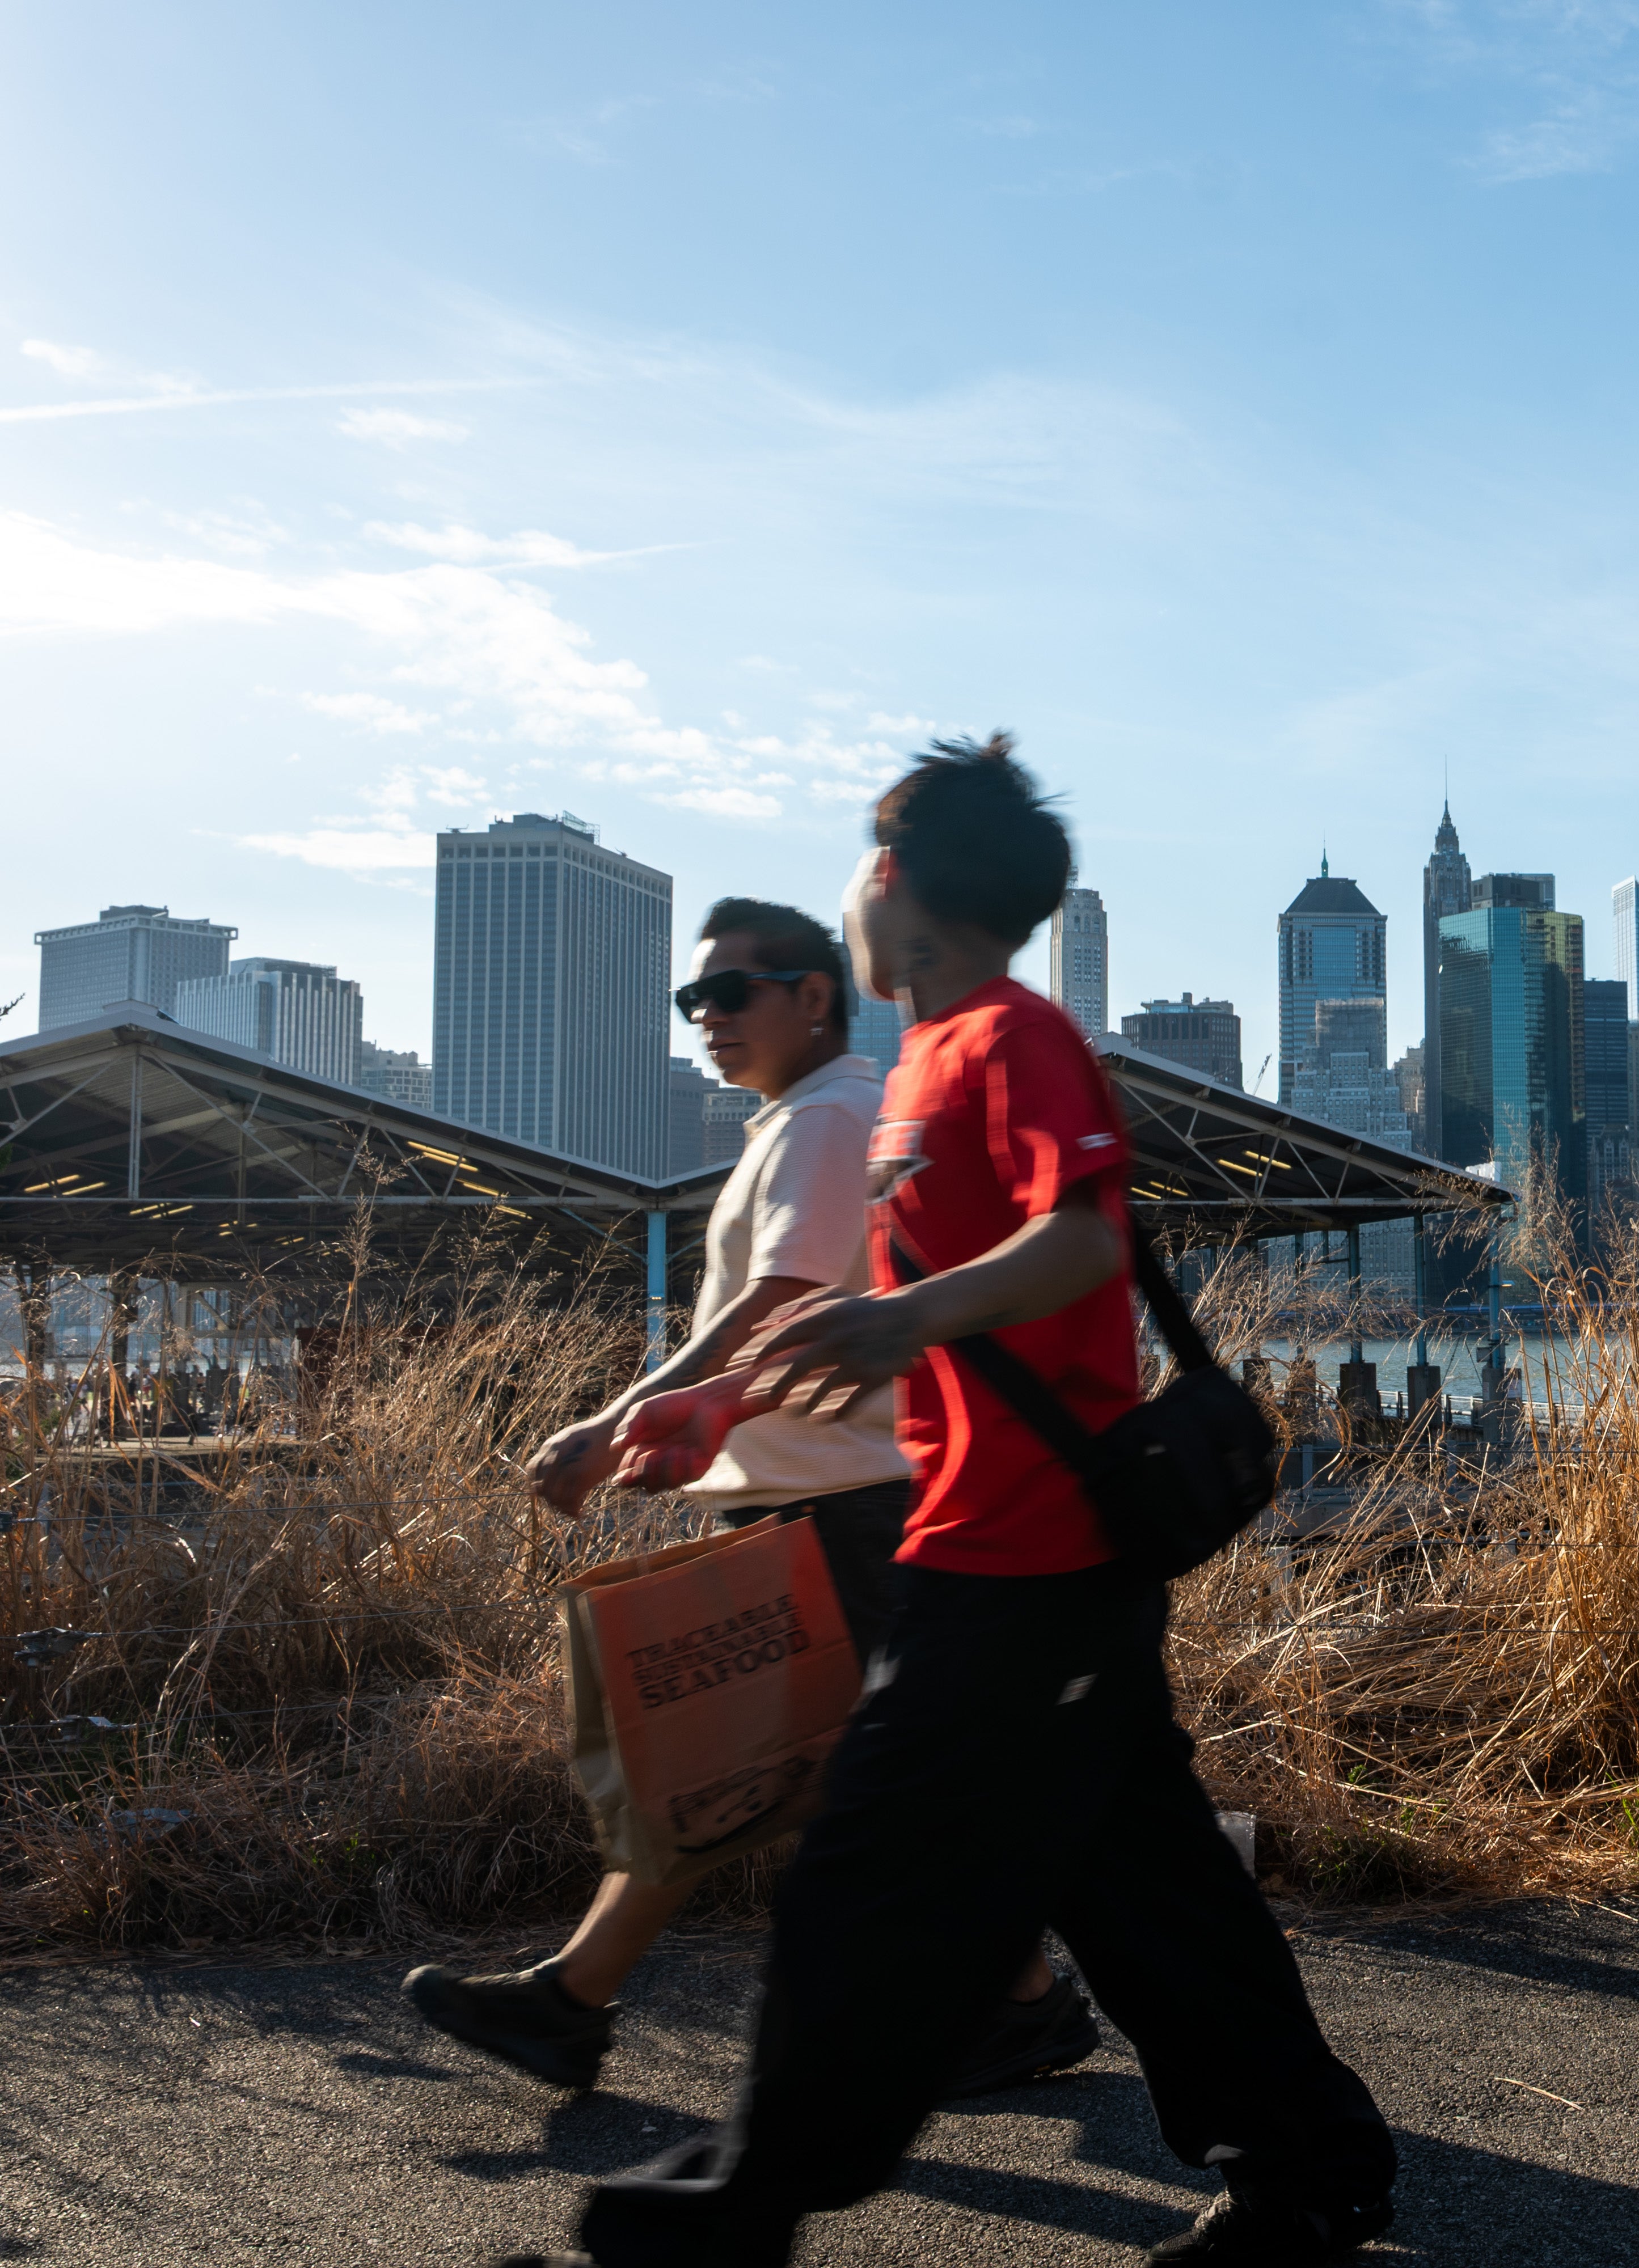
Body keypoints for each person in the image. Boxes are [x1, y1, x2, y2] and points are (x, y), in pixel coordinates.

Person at [509, 736, 1393, 2268]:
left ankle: (743, 2208)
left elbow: (1082, 1245)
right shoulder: (912, 1068)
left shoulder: (1009, 1038)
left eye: (865, 857)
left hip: (1028, 1559)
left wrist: (907, 1324)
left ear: (900, 883)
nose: (853, 886)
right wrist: (719, 1402)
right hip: (989, 1544)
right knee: (1149, 1891)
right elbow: (886, 1305)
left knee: (872, 1885)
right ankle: (1310, 2173)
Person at [408, 899, 1092, 2099]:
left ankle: (1007, 2005)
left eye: (731, 993)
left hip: (848, 1504)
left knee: (846, 1775)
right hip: (800, 1498)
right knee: (730, 1767)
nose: (707, 1020)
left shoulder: (830, 1119)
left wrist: (621, 1412)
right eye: (694, 1001)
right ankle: (576, 1998)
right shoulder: (800, 1119)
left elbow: (779, 1294)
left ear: (813, 995)